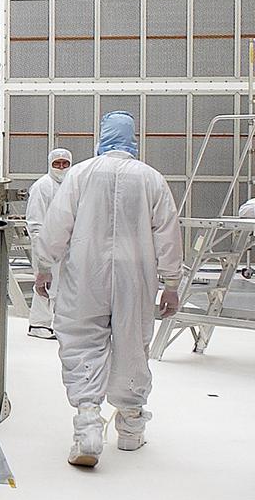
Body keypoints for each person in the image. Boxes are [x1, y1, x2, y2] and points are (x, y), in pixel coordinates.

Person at [36, 111, 183, 468]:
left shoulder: (80, 175)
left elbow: (57, 225)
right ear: (134, 139)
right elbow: (168, 233)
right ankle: (131, 428)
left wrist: (43, 266)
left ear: (100, 137)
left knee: (82, 341)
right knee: (133, 342)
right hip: (137, 276)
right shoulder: (151, 178)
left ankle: (88, 425)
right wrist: (172, 283)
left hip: (86, 272)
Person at [24, 148, 73, 340]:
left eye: (65, 163)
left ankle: (57, 322)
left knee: (63, 285)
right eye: (57, 164)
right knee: (44, 283)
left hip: (66, 245)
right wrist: (40, 246)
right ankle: (38, 323)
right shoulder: (42, 186)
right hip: (46, 244)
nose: (61, 167)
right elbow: (35, 220)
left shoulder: (70, 185)